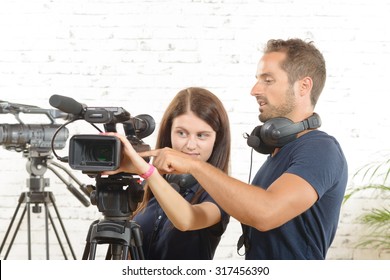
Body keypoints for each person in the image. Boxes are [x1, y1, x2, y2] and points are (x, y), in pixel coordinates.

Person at [139, 38, 348, 260]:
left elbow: (265, 212)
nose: (255, 90)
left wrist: (193, 165)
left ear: (303, 86)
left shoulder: (321, 149)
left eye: (267, 80)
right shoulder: (277, 156)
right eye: (258, 80)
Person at [102, 87, 231, 259]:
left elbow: (187, 220)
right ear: (169, 132)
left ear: (217, 138)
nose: (191, 145)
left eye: (202, 135)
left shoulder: (222, 193)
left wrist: (148, 172)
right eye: (181, 133)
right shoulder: (153, 184)